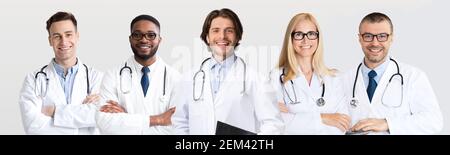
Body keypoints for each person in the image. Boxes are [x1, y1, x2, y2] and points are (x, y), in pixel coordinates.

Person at [171, 8, 284, 135]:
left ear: (237, 37)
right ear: (207, 37)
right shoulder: (190, 78)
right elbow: (180, 123)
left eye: (229, 31)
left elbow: (274, 125)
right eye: (215, 30)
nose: (222, 36)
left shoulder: (256, 79)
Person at [341, 12, 443, 134]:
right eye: (368, 36)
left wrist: (387, 124)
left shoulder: (413, 76)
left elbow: (433, 121)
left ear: (391, 38)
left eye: (382, 36)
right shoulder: (343, 80)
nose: (375, 43)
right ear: (359, 38)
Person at [18, 11, 103, 134]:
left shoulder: (97, 78)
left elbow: (101, 117)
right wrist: (82, 116)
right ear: (50, 40)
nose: (63, 41)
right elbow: (33, 127)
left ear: (77, 36)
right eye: (57, 36)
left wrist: (54, 112)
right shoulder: (33, 80)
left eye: (68, 34)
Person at [95, 15, 180, 134]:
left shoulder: (175, 78)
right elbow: (105, 123)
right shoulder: (113, 75)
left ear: (159, 40)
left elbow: (177, 127)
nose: (144, 40)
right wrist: (158, 119)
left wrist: (126, 119)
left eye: (151, 35)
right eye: (137, 35)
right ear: (130, 39)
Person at [268, 13, 350, 134]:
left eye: (311, 34)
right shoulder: (276, 77)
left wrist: (294, 117)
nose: (305, 40)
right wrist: (324, 118)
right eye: (299, 34)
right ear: (290, 39)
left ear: (318, 38)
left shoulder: (335, 78)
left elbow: (343, 125)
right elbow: (277, 124)